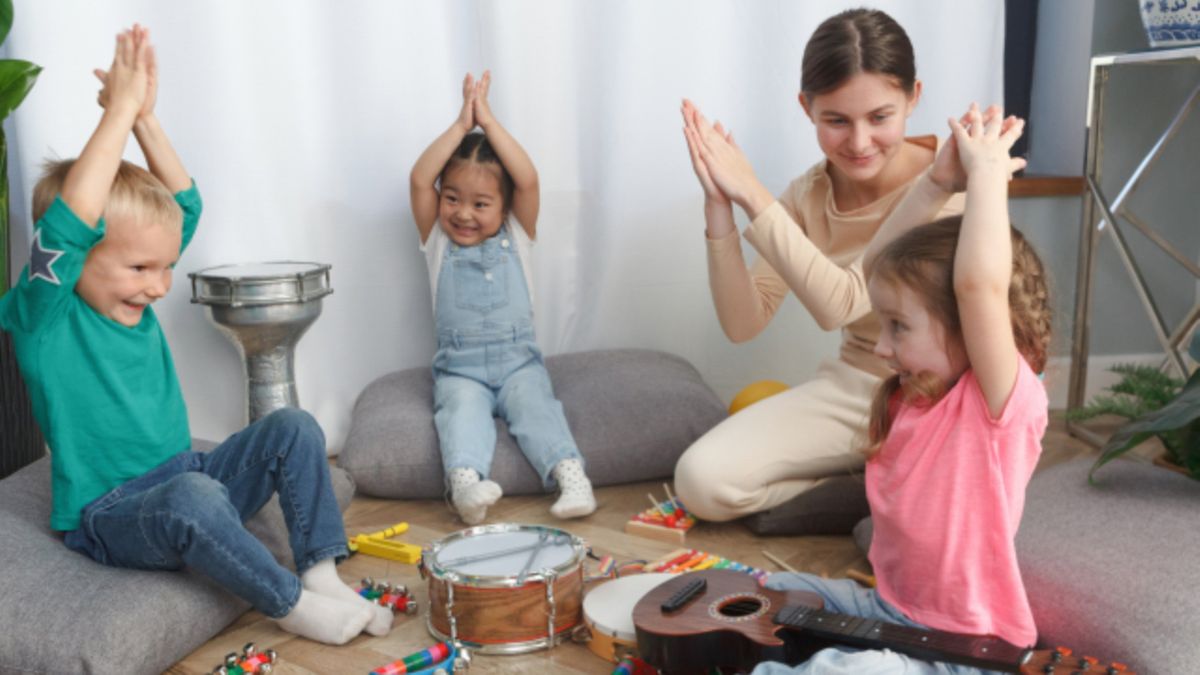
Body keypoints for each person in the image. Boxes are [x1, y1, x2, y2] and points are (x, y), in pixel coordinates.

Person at [0, 26, 389, 645]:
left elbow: (185, 205)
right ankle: (291, 603)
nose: (159, 287)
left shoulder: (129, 284)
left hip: (195, 473)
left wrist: (145, 120)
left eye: (166, 268)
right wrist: (116, 115)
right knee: (192, 499)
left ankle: (319, 572)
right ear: (73, 262)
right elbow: (69, 224)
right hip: (114, 515)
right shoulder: (44, 315)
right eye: (139, 269)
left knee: (293, 427)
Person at [752, 102, 1049, 674]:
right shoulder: (910, 397)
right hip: (889, 610)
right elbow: (876, 269)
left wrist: (987, 176)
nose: (881, 349)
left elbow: (979, 286)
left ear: (968, 326)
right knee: (768, 590)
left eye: (898, 328)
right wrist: (936, 183)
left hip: (963, 650)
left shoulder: (996, 407)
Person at [674, 8, 969, 523]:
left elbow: (843, 302)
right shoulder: (810, 194)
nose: (859, 142)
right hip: (859, 387)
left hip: (943, 396)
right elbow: (743, 323)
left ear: (913, 98)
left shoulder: (951, 178)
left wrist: (752, 193)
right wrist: (719, 206)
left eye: (880, 117)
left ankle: (878, 482)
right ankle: (862, 487)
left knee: (947, 503)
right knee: (700, 481)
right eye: (836, 120)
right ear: (806, 107)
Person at [409, 71, 596, 525]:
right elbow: (419, 180)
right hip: (460, 370)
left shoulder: (519, 231)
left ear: (505, 207)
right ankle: (466, 488)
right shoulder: (437, 240)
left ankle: (571, 478)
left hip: (519, 365)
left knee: (538, 409)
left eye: (480, 204)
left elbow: (527, 180)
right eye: (452, 199)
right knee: (459, 415)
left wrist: (488, 123)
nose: (463, 214)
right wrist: (461, 125)